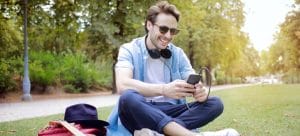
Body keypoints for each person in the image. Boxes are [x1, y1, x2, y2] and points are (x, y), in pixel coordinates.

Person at [111, 1, 239, 136]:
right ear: (149, 25)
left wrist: (199, 90)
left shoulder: (177, 54)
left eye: (173, 31)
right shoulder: (129, 49)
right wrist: (164, 90)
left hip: (169, 111)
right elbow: (122, 84)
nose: (168, 36)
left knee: (215, 103)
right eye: (163, 29)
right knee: (128, 97)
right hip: (140, 111)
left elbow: (190, 76)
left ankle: (159, 133)